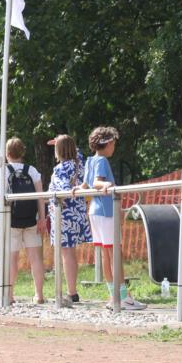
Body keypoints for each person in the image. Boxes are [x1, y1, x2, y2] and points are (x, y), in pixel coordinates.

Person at [0, 138, 47, 304]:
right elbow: (40, 196)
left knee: (12, 258)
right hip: (31, 220)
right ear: (22, 152)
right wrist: (42, 218)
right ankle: (39, 295)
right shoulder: (32, 170)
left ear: (7, 154)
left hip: (10, 220)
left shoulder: (2, 170)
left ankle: (10, 295)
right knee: (35, 258)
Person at [76, 126, 145, 310]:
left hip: (95, 212)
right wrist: (106, 183)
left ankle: (114, 296)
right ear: (106, 144)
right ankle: (123, 298)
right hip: (105, 212)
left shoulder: (90, 160)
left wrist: (78, 189)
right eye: (113, 143)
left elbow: (85, 185)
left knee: (106, 254)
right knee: (115, 254)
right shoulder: (102, 161)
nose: (114, 147)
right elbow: (97, 182)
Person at [47, 135, 91, 305]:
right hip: (78, 212)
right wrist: (64, 142)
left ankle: (71, 292)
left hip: (65, 214)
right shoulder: (80, 164)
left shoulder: (61, 169)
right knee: (71, 253)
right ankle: (72, 290)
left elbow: (63, 189)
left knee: (66, 253)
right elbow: (77, 153)